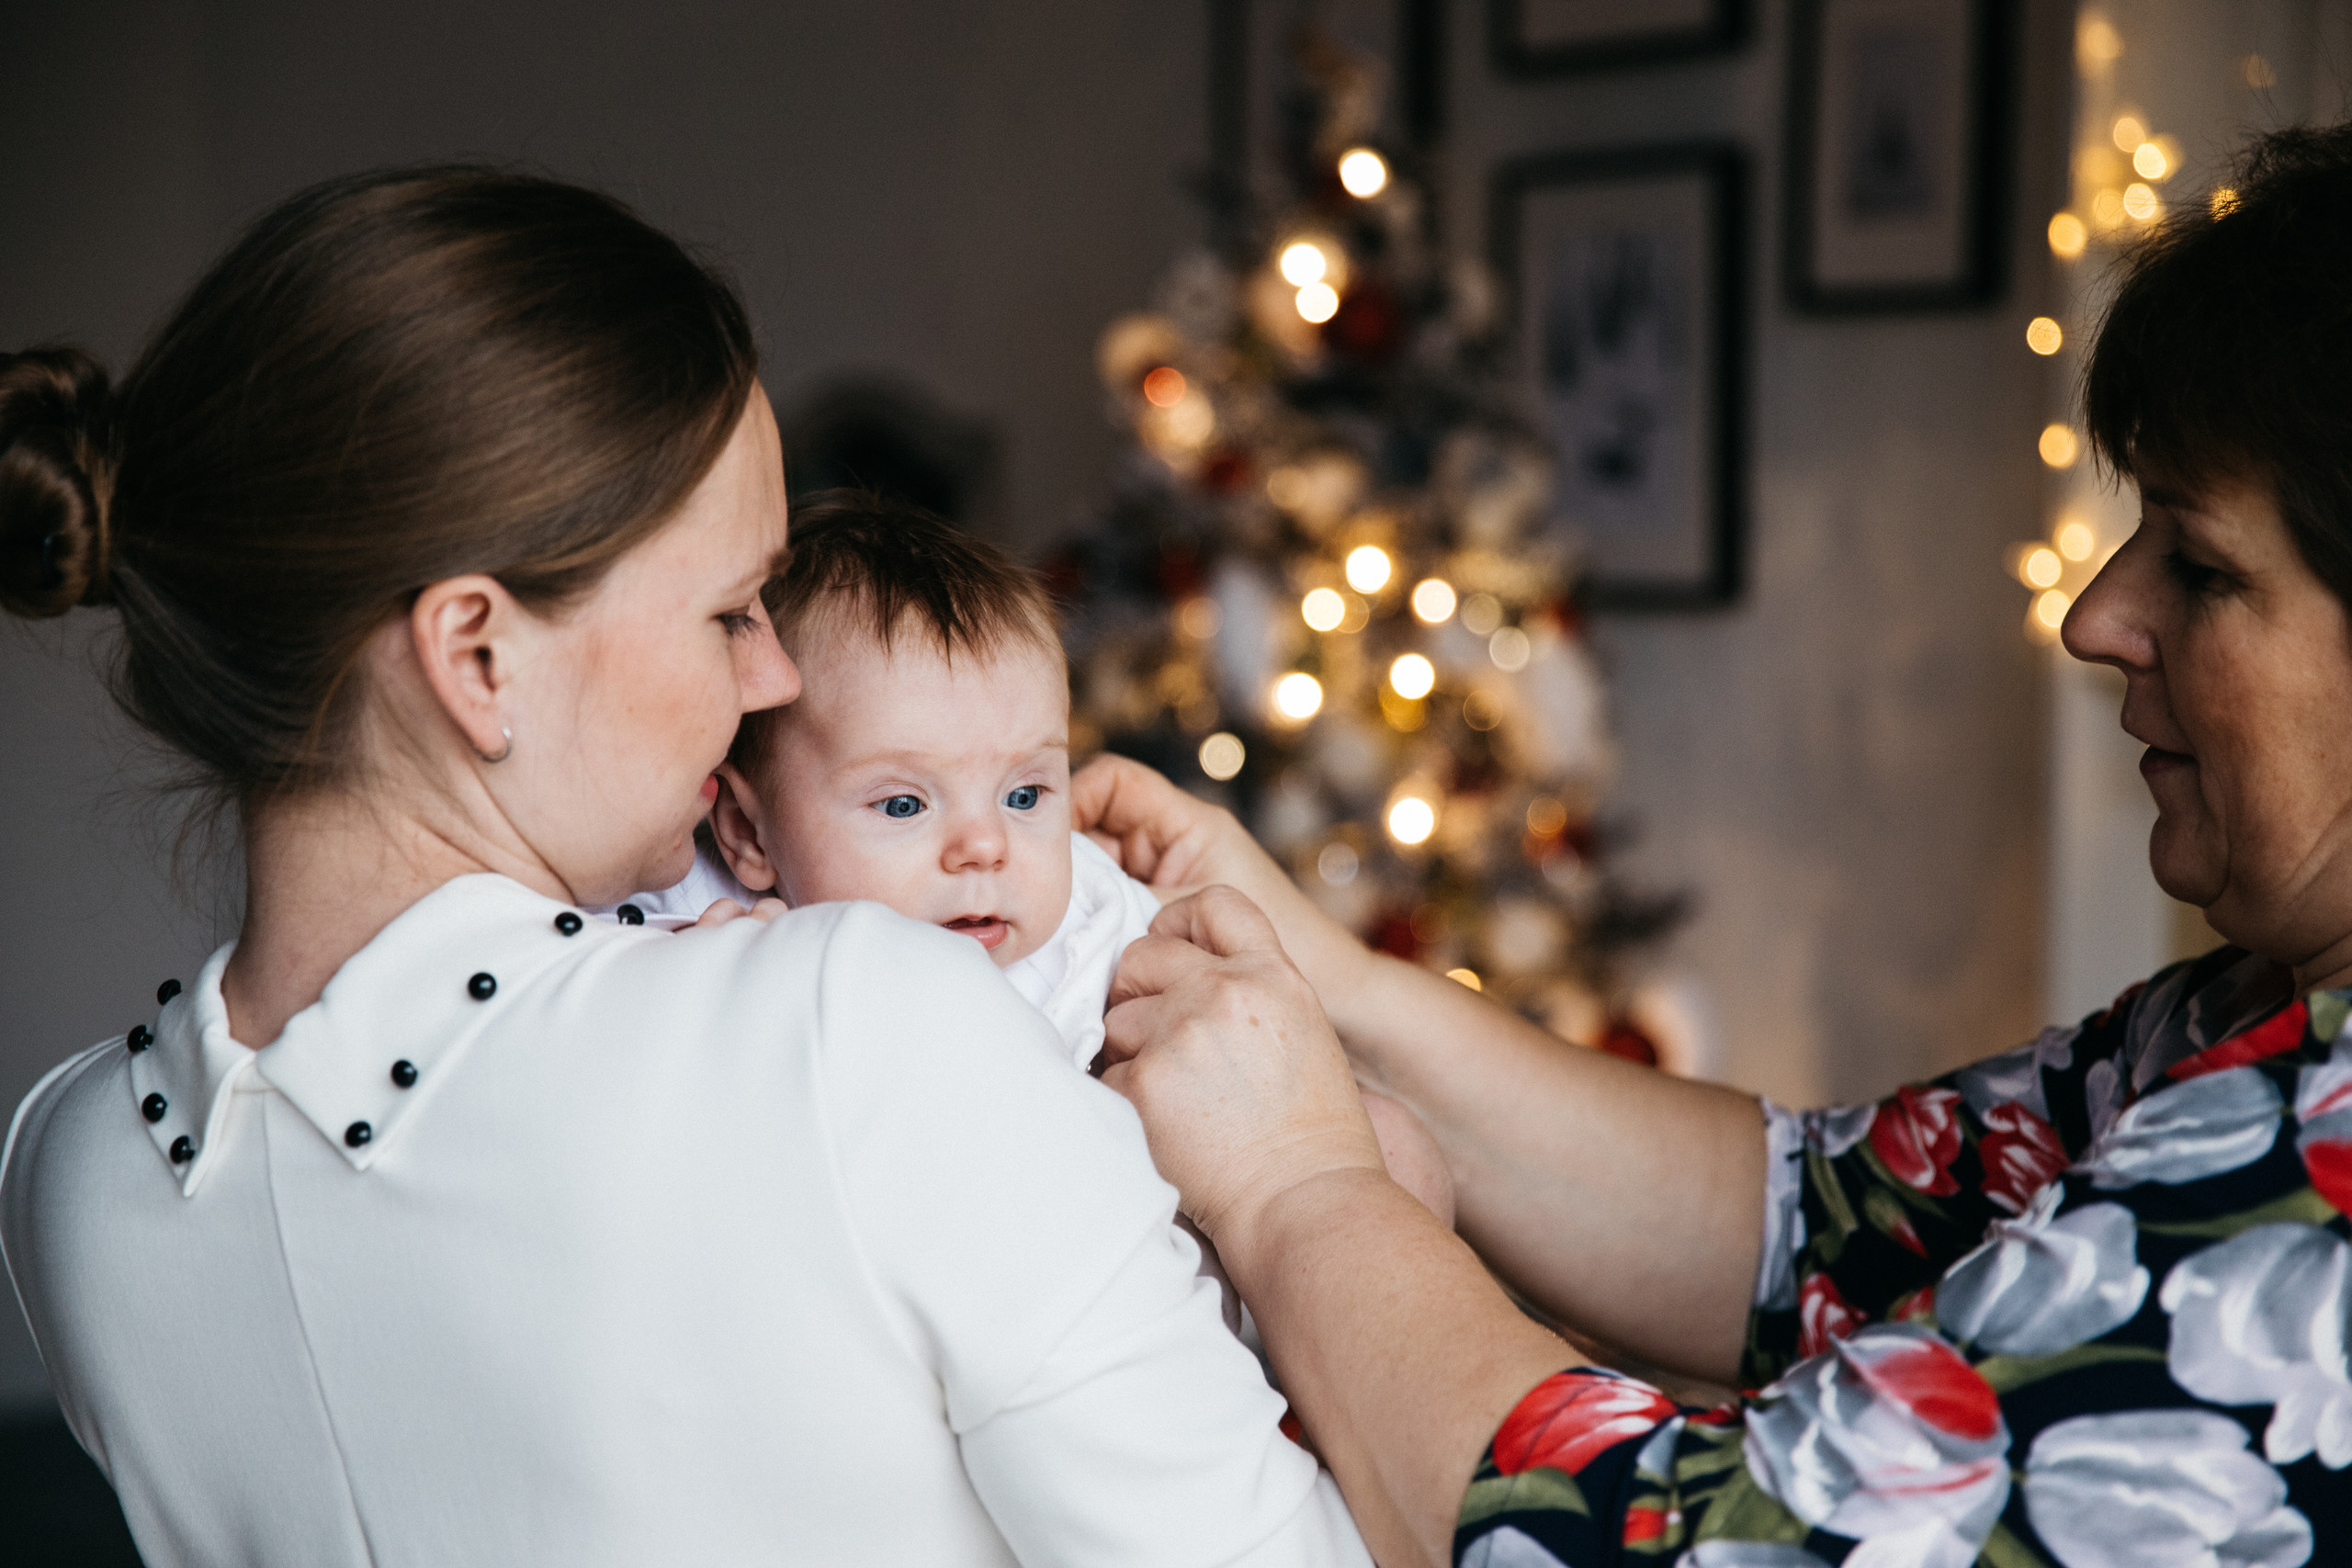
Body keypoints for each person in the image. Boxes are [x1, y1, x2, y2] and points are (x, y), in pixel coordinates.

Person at [0, 167, 1369, 1568]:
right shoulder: (854, 1021)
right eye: (731, 612)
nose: (771, 673)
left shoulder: (66, 1168)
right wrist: (1317, 1192)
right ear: (477, 656)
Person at [1075, 121, 2352, 1568]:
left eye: (2198, 561)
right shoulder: (2238, 1017)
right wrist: (1328, 981)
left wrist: (1303, 1187)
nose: (2098, 615)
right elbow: (1812, 1225)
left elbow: (1691, 1547)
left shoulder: (2322, 1180)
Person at [695, 487, 1453, 1217]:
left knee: (1394, 1139)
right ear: (750, 836)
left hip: (1173, 1238)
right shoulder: (755, 964)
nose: (986, 846)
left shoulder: (1101, 922)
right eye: (903, 804)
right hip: (998, 1267)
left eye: (1024, 795)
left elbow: (1227, 1061)